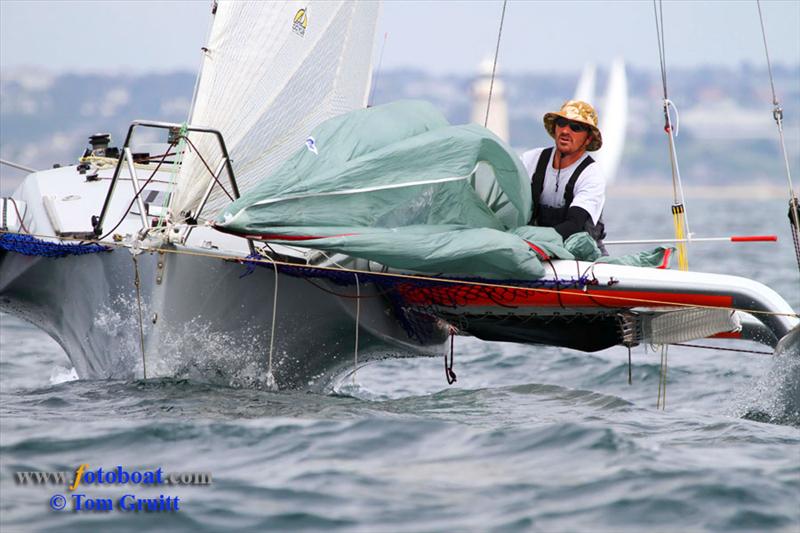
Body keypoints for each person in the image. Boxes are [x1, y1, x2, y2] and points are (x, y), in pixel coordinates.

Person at [521, 100, 607, 254]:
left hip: (582, 255)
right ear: (555, 128)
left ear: (588, 139)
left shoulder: (592, 174)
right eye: (562, 123)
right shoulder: (530, 159)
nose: (566, 131)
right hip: (533, 251)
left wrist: (529, 240)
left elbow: (574, 224)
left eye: (576, 127)